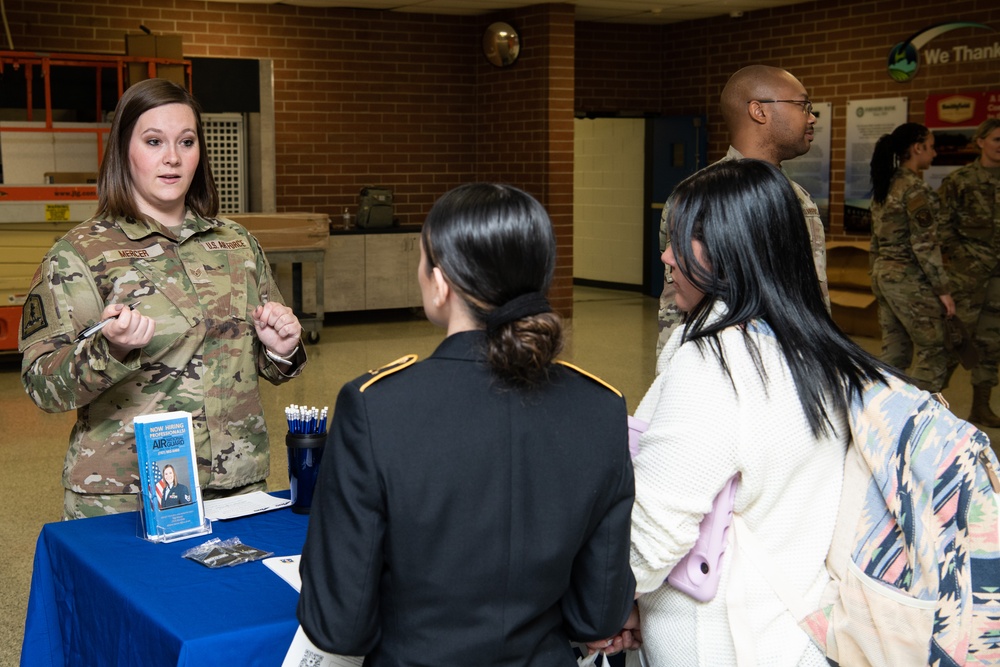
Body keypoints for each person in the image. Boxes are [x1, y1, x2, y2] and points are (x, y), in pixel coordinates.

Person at [297, 183, 636, 665]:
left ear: (440, 283)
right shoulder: (600, 406)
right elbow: (597, 616)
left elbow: (339, 626)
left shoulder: (376, 407)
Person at [597, 159, 893, 664]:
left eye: (684, 239)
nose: (666, 255)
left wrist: (603, 607)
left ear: (735, 250)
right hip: (792, 630)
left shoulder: (715, 363)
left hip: (717, 641)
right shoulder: (816, 346)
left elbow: (654, 534)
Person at [18, 78, 306, 520]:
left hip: (236, 488)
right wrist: (108, 349)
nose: (172, 157)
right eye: (154, 141)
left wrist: (281, 349)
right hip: (124, 498)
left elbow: (267, 364)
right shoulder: (81, 254)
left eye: (186, 142)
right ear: (124, 151)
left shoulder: (236, 244)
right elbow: (41, 383)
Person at [656, 64, 828, 356]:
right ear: (758, 111)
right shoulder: (705, 197)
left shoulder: (797, 195)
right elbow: (677, 304)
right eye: (802, 105)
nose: (811, 117)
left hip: (799, 360)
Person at [869, 122, 954, 394]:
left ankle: (878, 414)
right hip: (908, 279)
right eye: (931, 147)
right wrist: (943, 291)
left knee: (895, 352)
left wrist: (876, 275)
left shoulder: (886, 185)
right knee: (934, 349)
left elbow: (875, 240)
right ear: (917, 148)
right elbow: (925, 244)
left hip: (884, 276)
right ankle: (920, 421)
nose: (935, 154)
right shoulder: (915, 189)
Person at [938, 118, 1000, 426]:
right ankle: (931, 405)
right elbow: (942, 227)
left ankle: (981, 407)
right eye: (997, 139)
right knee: (954, 341)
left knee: (991, 343)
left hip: (998, 281)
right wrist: (964, 258)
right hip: (967, 278)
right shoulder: (960, 180)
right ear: (981, 142)